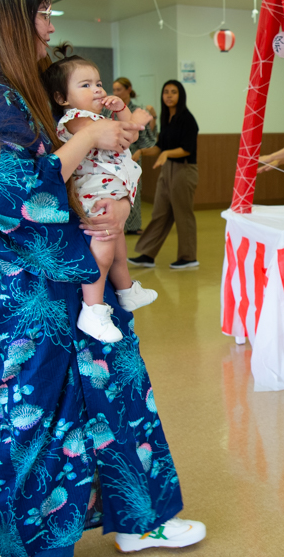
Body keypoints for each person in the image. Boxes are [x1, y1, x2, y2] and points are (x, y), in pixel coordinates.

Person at [0, 0, 204, 555]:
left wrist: (118, 204)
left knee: (117, 390)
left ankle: (138, 518)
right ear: (11, 19)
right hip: (25, 288)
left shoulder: (25, 87)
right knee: (36, 420)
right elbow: (14, 192)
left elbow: (92, 173)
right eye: (42, 15)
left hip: (76, 272)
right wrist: (88, 140)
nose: (49, 27)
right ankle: (37, 547)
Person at [43, 50, 158, 342]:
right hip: (93, 195)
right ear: (62, 98)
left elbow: (128, 138)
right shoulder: (74, 119)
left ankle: (126, 291)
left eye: (98, 83)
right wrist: (134, 119)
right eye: (85, 85)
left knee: (119, 250)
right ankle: (92, 309)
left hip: (110, 192)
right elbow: (123, 136)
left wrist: (122, 110)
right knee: (103, 254)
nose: (97, 89)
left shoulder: (98, 118)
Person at [128, 80, 200, 270]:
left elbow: (187, 149)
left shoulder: (187, 119)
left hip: (184, 170)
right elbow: (160, 147)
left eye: (173, 92)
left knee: (182, 214)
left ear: (180, 95)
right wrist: (142, 151)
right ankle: (147, 254)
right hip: (167, 169)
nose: (169, 95)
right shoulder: (167, 117)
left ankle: (189, 257)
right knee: (159, 212)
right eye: (166, 92)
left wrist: (166, 153)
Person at [113, 77, 157, 235]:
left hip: (133, 155)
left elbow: (148, 138)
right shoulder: (109, 110)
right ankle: (117, 224)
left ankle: (133, 226)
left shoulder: (138, 110)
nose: (116, 93)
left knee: (134, 190)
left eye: (119, 89)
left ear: (129, 89)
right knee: (115, 189)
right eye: (114, 90)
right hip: (113, 155)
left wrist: (153, 117)